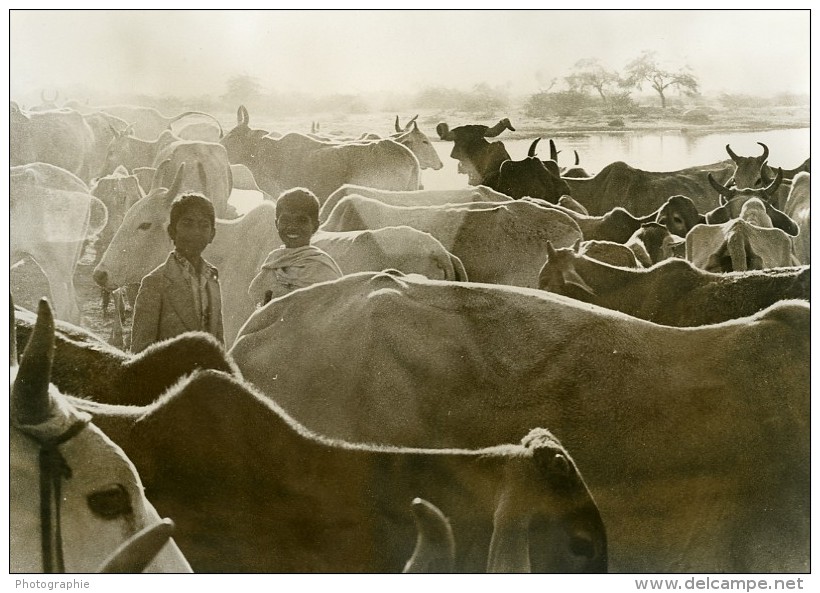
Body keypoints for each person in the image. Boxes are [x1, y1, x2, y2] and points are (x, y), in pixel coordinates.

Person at [130, 192, 224, 353]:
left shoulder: (212, 278)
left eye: (204, 225)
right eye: (187, 224)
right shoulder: (155, 283)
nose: (196, 232)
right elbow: (141, 352)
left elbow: (219, 345)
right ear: (172, 232)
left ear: (212, 235)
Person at [248, 188, 343, 307]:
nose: (292, 227)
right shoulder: (273, 262)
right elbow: (260, 304)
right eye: (285, 220)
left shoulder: (322, 267)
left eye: (302, 220)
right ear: (276, 224)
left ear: (315, 226)